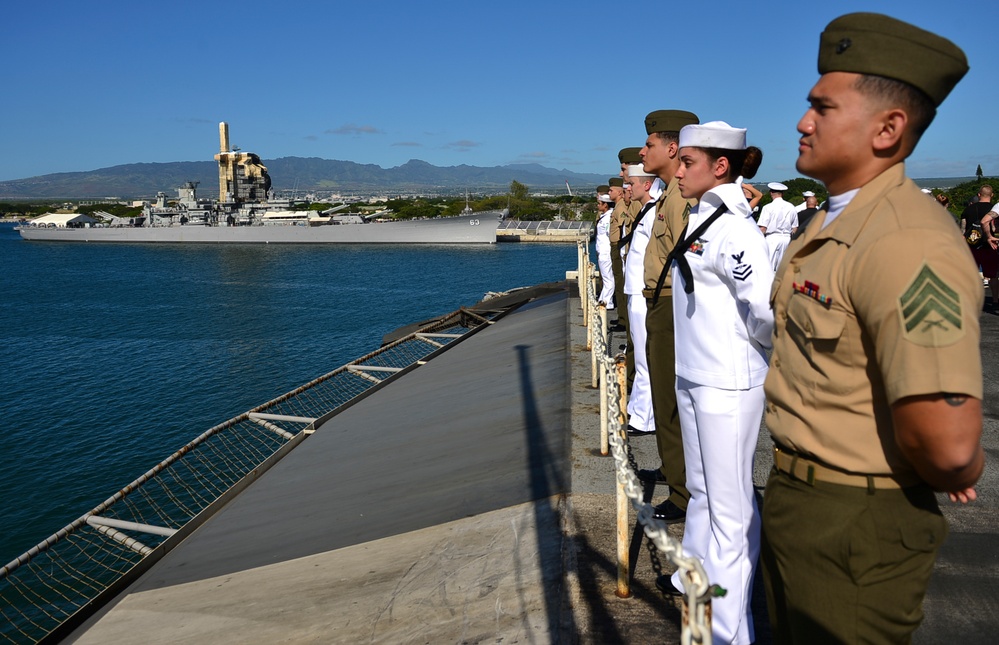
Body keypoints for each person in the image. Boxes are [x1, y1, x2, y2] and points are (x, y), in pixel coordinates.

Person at [762, 13, 984, 644]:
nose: (804, 122)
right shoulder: (835, 223)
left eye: (823, 108)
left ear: (889, 129)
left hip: (855, 524)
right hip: (804, 503)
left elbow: (949, 444)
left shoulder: (905, 241)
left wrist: (954, 465)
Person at [655, 121, 774, 645]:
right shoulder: (705, 216)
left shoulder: (735, 229)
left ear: (720, 166)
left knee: (730, 513)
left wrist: (747, 359)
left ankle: (728, 633)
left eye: (688, 163)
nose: (677, 171)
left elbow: (765, 311)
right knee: (703, 492)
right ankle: (694, 577)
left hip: (726, 381)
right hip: (695, 373)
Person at [635, 109, 700, 523]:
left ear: (672, 148)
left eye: (650, 144)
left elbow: (690, 264)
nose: (643, 152)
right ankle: (676, 473)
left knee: (669, 401)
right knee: (667, 400)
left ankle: (682, 493)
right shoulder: (668, 195)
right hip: (661, 304)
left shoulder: (678, 199)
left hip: (671, 307)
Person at [621, 163, 659, 436]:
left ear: (646, 184)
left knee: (646, 356)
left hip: (644, 291)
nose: (627, 188)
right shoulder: (647, 209)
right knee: (641, 352)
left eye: (632, 183)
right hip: (635, 291)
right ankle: (637, 409)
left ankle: (645, 417)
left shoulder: (655, 209)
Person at [961, 185, 997, 311]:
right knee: (992, 275)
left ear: (979, 195)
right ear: (991, 195)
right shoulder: (994, 209)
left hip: (972, 246)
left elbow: (963, 229)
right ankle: (995, 301)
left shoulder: (968, 209)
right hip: (989, 246)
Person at [757, 182, 799, 270]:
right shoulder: (791, 207)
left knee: (769, 267)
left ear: (771, 193)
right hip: (786, 238)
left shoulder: (768, 207)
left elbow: (763, 228)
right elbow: (794, 227)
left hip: (772, 238)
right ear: (782, 194)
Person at [594, 189, 616, 310]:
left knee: (608, 278)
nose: (598, 205)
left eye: (599, 203)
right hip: (602, 251)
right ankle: (604, 299)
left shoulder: (608, 218)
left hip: (606, 251)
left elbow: (609, 234)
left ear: (605, 205)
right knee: (606, 276)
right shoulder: (605, 216)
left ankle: (607, 302)